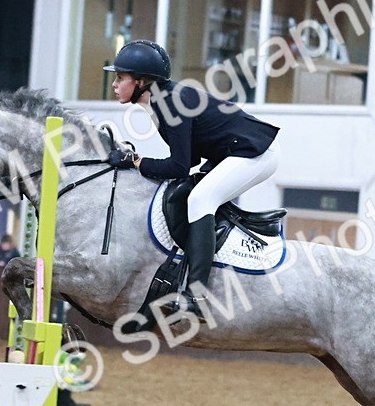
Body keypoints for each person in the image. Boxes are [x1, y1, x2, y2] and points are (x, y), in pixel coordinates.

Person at [104, 40, 281, 318]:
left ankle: (196, 296)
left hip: (255, 153)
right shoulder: (159, 101)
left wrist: (135, 161)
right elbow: (191, 160)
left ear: (140, 82)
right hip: (230, 151)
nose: (114, 84)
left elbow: (179, 166)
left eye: (120, 77)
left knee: (200, 199)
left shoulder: (170, 103)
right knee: (188, 193)